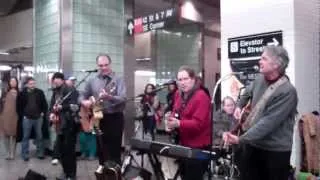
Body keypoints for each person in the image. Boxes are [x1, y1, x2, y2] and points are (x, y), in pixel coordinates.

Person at [223, 45, 298, 180]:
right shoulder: (259, 79)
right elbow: (246, 93)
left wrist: (241, 139)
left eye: (264, 58)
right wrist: (239, 106)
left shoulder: (288, 91)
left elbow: (267, 123)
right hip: (253, 145)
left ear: (276, 64)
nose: (259, 61)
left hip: (275, 152)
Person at [79, 53, 126, 169]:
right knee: (101, 149)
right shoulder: (92, 80)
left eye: (106, 65)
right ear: (97, 65)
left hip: (115, 117)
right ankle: (103, 175)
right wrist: (83, 102)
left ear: (110, 64)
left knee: (114, 150)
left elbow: (123, 99)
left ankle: (115, 174)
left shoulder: (118, 79)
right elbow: (81, 95)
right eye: (100, 65)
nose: (103, 68)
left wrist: (109, 97)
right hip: (98, 117)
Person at [166, 65, 211, 180]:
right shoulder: (178, 94)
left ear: (193, 79)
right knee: (184, 175)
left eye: (185, 79)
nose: (182, 83)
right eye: (180, 80)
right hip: (184, 145)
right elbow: (175, 111)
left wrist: (179, 124)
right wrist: (170, 122)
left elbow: (198, 124)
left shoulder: (201, 96)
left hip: (199, 147)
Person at [49, 72, 79, 180]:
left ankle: (72, 174)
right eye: (54, 81)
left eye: (57, 80)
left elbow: (75, 106)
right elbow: (52, 105)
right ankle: (66, 172)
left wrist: (63, 107)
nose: (55, 82)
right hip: (59, 125)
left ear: (62, 80)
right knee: (62, 151)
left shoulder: (71, 90)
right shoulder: (55, 91)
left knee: (69, 151)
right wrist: (51, 113)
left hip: (70, 124)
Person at [17, 77, 48, 161]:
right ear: (27, 84)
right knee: (25, 136)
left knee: (39, 136)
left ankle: (40, 153)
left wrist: (42, 113)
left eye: (33, 83)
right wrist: (23, 115)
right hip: (27, 118)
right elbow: (18, 106)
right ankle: (25, 154)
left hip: (38, 118)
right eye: (30, 84)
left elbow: (44, 104)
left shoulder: (40, 92)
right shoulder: (22, 93)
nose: (32, 85)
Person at [0, 77, 19, 160]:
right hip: (4, 116)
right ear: (9, 83)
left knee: (14, 135)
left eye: (14, 81)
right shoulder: (4, 93)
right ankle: (8, 153)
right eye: (11, 81)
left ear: (17, 83)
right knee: (5, 135)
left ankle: (12, 154)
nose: (13, 82)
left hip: (15, 116)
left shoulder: (20, 93)